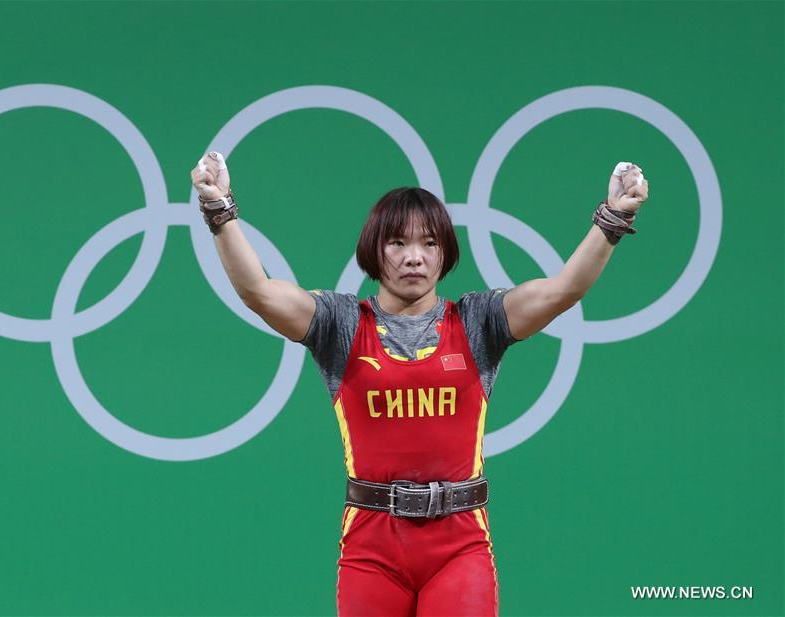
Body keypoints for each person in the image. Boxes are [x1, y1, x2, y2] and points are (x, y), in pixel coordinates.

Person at [190, 152, 649, 617]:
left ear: (445, 253)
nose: (414, 257)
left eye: (429, 243)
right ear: (373, 250)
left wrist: (614, 218)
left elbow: (563, 290)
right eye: (397, 243)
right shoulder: (340, 324)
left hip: (460, 547)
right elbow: (258, 292)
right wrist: (219, 210)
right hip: (371, 551)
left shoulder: (478, 321)